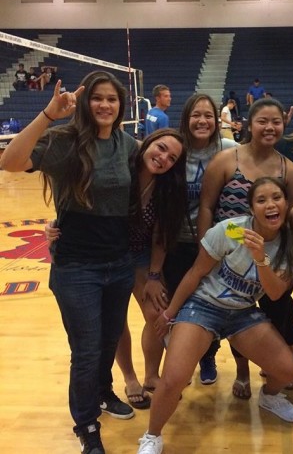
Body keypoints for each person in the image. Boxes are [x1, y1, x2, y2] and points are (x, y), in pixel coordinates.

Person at [0, 71, 138, 454]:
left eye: (112, 99)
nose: (105, 105)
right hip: (77, 267)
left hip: (119, 262)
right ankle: (86, 423)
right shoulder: (64, 141)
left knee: (109, 339)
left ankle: (104, 391)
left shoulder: (129, 146)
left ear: (121, 105)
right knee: (87, 348)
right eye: (98, 98)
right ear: (85, 102)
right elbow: (9, 162)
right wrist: (48, 113)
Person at [137, 177, 293, 454]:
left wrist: (260, 257)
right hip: (203, 306)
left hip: (243, 313)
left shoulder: (290, 244)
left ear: (286, 204)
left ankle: (269, 397)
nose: (270, 204)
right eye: (261, 200)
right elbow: (196, 273)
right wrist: (169, 313)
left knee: (288, 371)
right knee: (175, 378)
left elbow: (274, 294)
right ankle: (152, 436)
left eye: (277, 198)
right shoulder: (233, 230)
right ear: (251, 208)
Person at [45, 128, 188, 412]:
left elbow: (161, 235)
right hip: (110, 253)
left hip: (143, 255)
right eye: (160, 148)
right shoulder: (120, 171)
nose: (163, 158)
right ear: (146, 143)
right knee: (115, 319)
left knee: (158, 315)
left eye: (172, 157)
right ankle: (130, 378)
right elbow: (82, 203)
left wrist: (154, 275)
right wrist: (56, 223)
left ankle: (151, 374)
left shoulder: (165, 187)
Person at [198, 97, 293, 399]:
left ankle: (277, 366)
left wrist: (290, 266)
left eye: (276, 122)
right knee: (234, 313)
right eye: (263, 121)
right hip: (229, 258)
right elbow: (207, 206)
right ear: (248, 124)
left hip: (272, 259)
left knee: (279, 311)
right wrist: (206, 249)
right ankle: (242, 371)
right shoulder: (227, 160)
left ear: (284, 124)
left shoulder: (289, 171)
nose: (269, 127)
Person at [161, 93, 239, 386]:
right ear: (186, 118)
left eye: (208, 115)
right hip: (176, 243)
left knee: (210, 303)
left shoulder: (230, 150)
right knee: (178, 305)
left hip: (216, 245)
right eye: (196, 115)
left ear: (217, 120)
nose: (202, 120)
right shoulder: (174, 150)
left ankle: (207, 355)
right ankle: (179, 363)